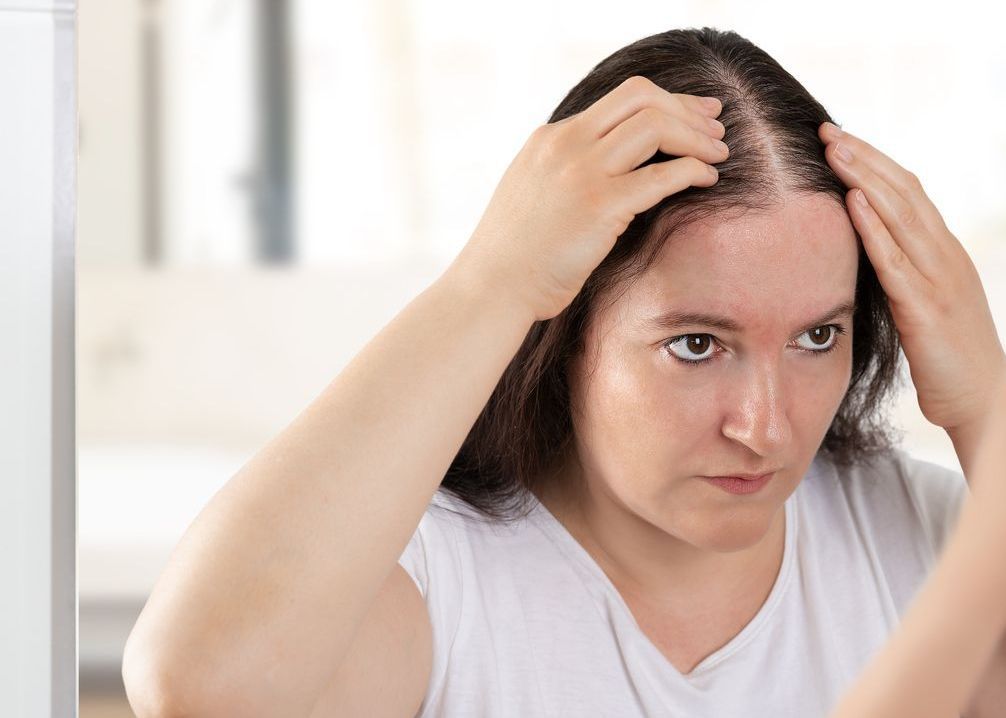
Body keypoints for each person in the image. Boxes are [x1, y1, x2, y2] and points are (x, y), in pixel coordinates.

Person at [121, 27, 1006, 718]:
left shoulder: (927, 537)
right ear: (567, 335)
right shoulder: (441, 580)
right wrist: (490, 283)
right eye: (697, 345)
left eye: (817, 336)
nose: (765, 428)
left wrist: (985, 402)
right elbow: (199, 686)